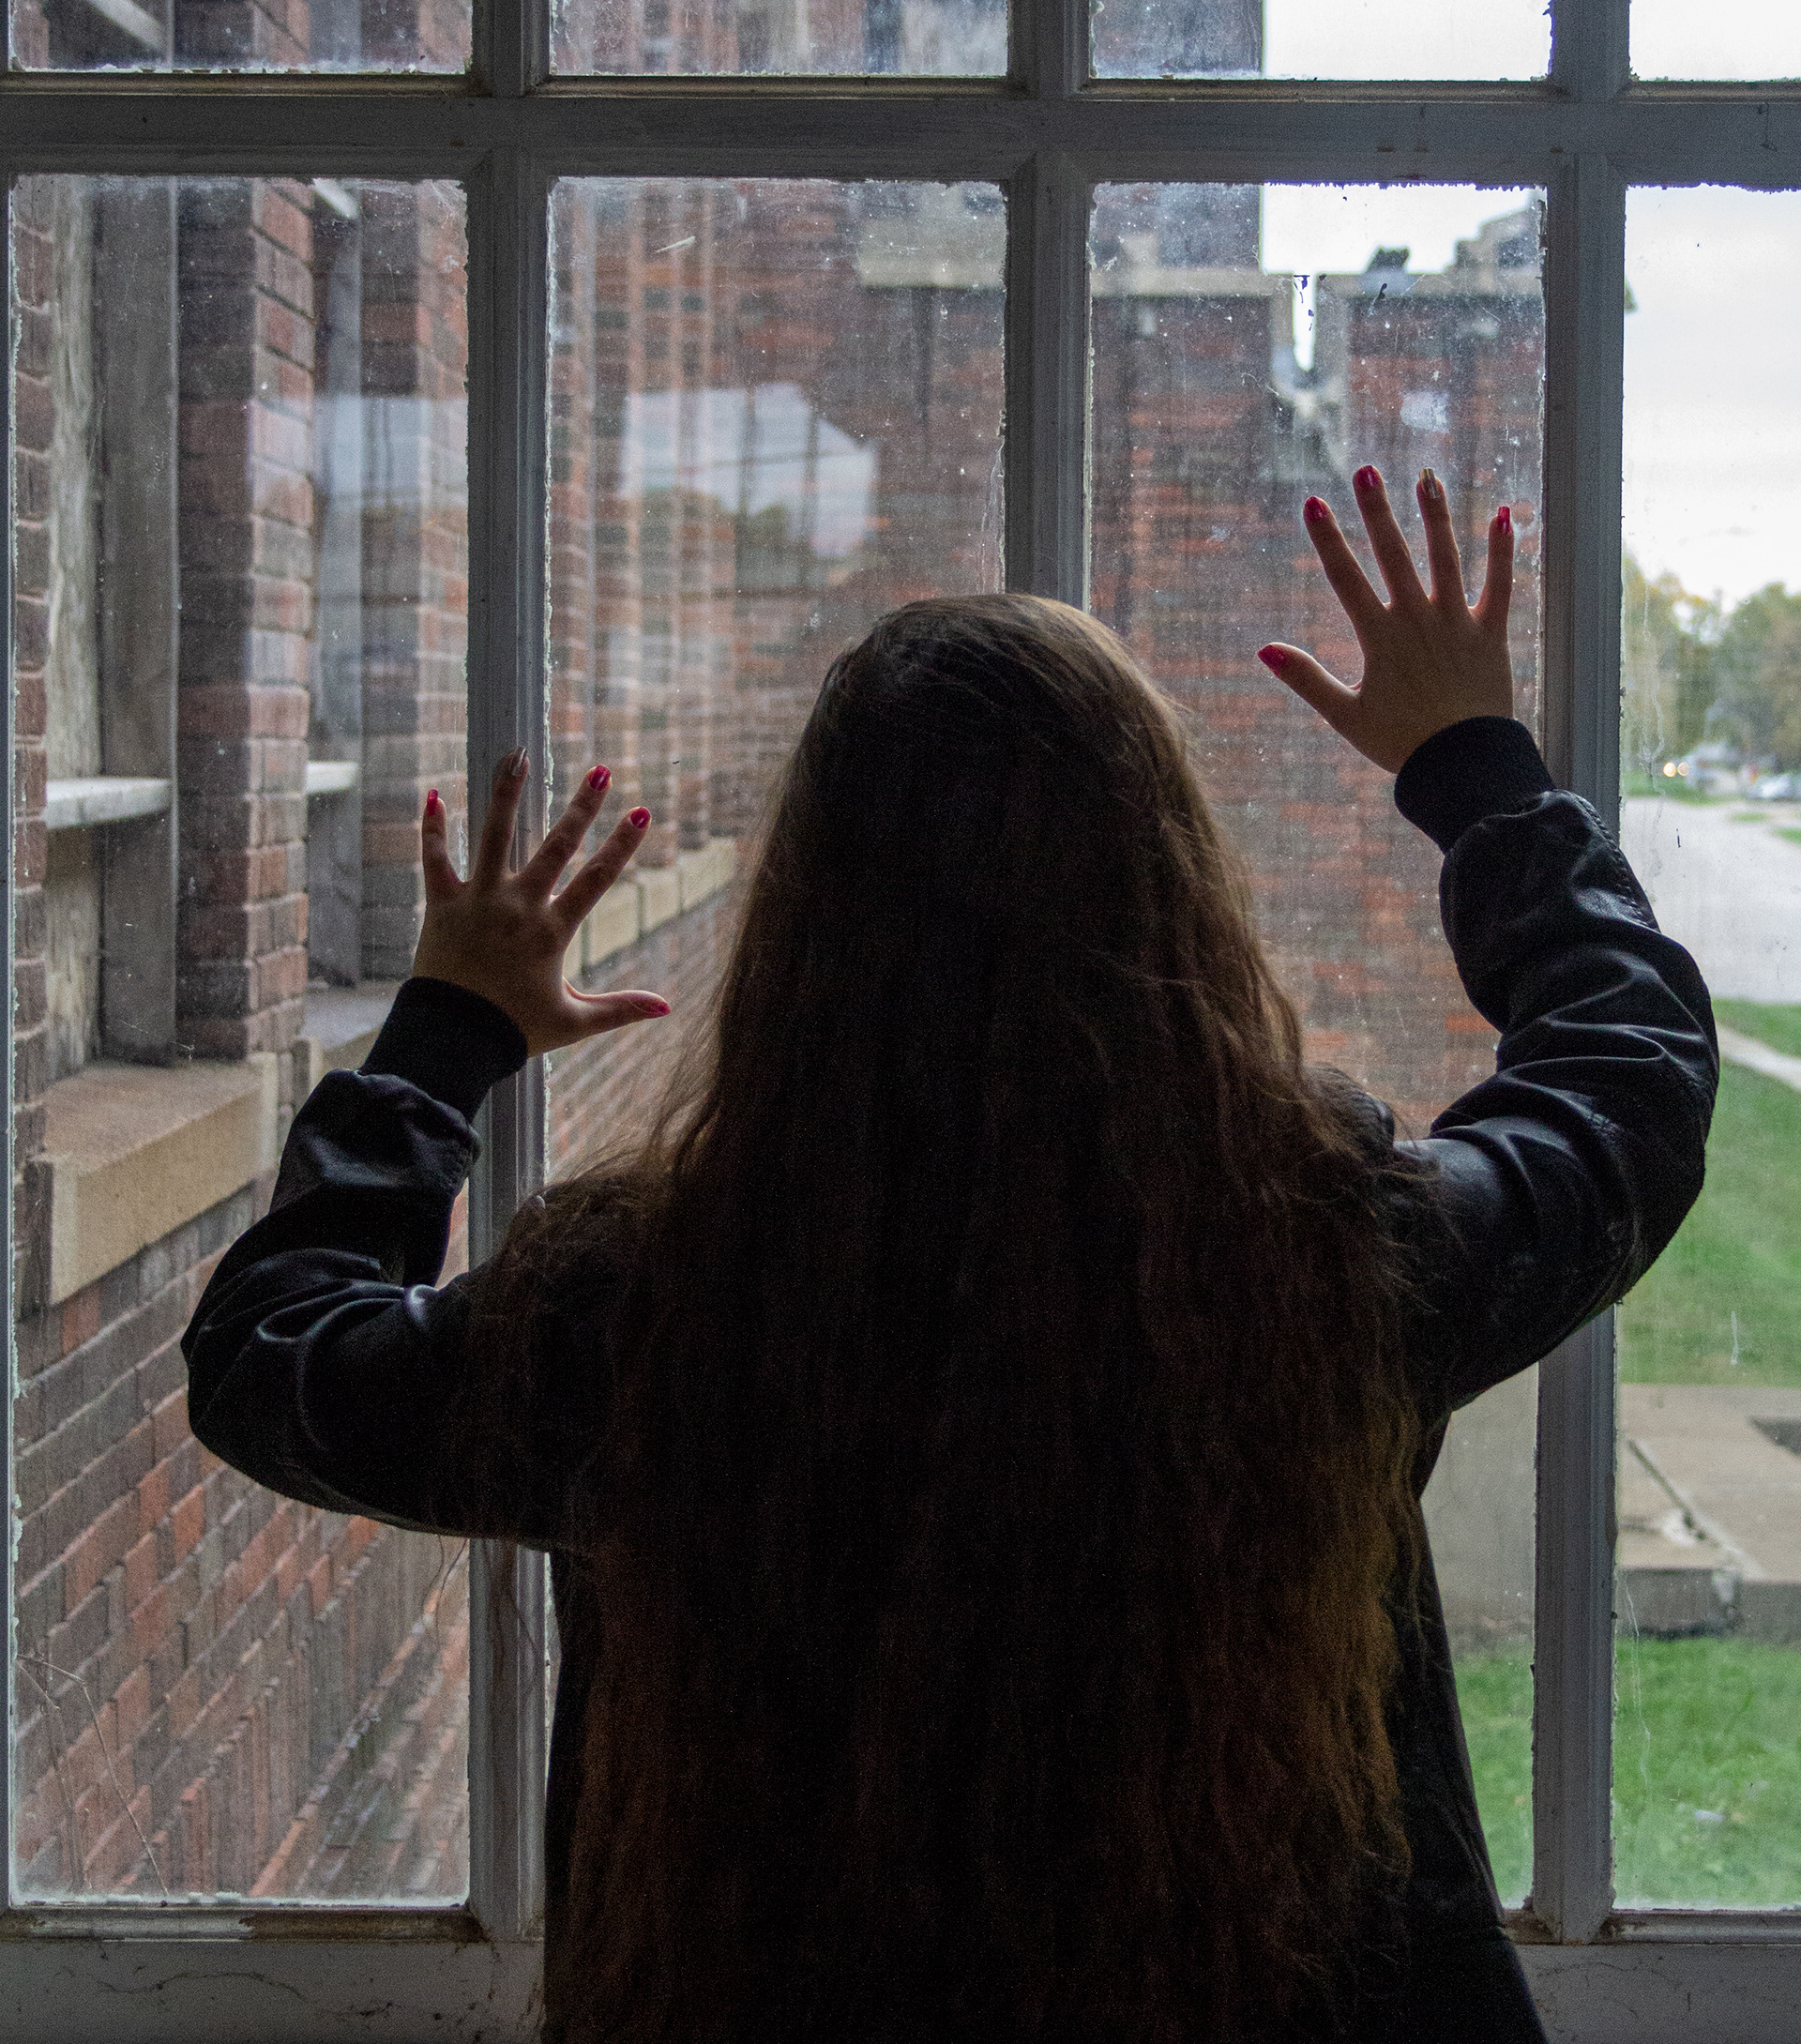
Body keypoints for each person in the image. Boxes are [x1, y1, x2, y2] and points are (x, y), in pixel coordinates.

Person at [184, 465, 1716, 2043]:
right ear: (1174, 896)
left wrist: (448, 1032)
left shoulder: (642, 1315)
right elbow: (1630, 1083)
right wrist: (1477, 770)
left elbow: (265, 1357)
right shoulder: (1322, 1262)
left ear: (805, 922)